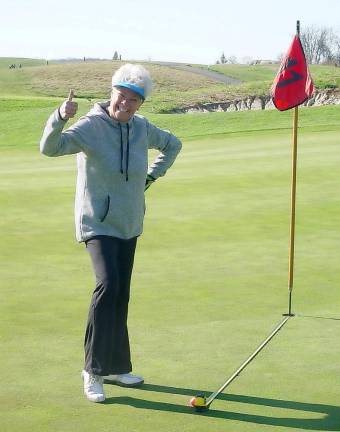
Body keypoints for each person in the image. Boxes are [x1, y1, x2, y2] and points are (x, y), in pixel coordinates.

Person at [39, 64, 182, 403]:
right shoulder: (90, 126)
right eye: (122, 96)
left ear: (141, 104)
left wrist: (151, 176)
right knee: (108, 286)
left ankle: (117, 366)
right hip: (97, 223)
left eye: (134, 100)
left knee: (121, 294)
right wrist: (60, 115)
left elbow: (173, 145)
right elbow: (50, 147)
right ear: (112, 93)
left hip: (129, 222)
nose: (126, 104)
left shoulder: (142, 127)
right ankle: (93, 370)